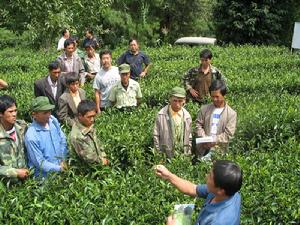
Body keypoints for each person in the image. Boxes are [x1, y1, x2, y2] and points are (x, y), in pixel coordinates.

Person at [155, 160, 243, 225]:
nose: (206, 177)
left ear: (221, 190)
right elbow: (193, 189)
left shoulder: (219, 221)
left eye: (210, 176)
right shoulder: (230, 191)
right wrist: (168, 176)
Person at [25, 96, 68, 177]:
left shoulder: (53, 121)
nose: (49, 115)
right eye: (45, 113)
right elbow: (39, 162)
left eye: (49, 111)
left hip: (61, 168)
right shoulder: (31, 136)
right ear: (34, 114)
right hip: (45, 179)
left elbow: (62, 139)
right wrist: (59, 168)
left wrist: (63, 159)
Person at [195, 80, 237, 159]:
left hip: (219, 151)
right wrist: (204, 138)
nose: (214, 99)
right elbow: (198, 125)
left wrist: (214, 140)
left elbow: (228, 134)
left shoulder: (231, 114)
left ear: (224, 95)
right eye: (212, 96)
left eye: (217, 97)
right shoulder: (204, 109)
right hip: (203, 149)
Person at [153, 87, 192, 158]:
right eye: (175, 101)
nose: (177, 104)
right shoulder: (161, 115)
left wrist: (188, 152)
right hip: (165, 155)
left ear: (184, 101)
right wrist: (158, 155)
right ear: (170, 99)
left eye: (180, 101)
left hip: (182, 156)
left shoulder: (187, 116)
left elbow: (189, 137)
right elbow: (156, 136)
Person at [69, 100, 108, 165]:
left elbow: (97, 142)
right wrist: (103, 161)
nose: (92, 119)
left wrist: (103, 155)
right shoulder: (77, 136)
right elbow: (89, 158)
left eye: (94, 116)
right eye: (89, 117)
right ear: (80, 116)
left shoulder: (87, 124)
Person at [0, 95, 29, 182]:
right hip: (7, 186)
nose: (14, 114)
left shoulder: (22, 127)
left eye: (15, 111)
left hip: (27, 181)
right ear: (1, 114)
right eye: (10, 111)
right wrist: (15, 172)